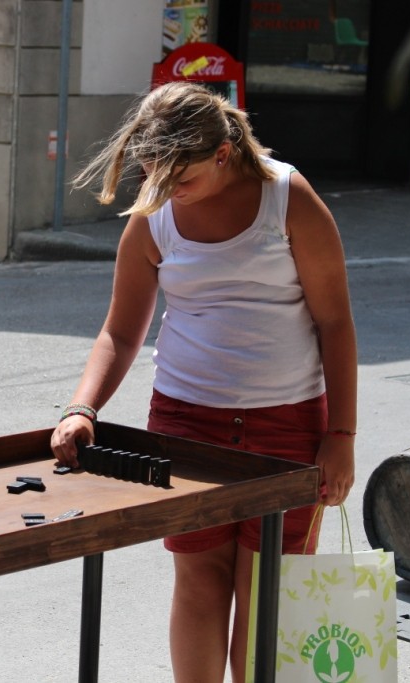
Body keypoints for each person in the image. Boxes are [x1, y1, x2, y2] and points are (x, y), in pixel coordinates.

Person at [50, 82, 356, 683]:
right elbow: (121, 330)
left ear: (222, 154)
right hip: (185, 425)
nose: (163, 192)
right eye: (150, 175)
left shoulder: (286, 197)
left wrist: (341, 432)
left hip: (288, 426)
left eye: (178, 178)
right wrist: (81, 407)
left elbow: (336, 320)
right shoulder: (153, 217)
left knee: (268, 587)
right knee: (198, 577)